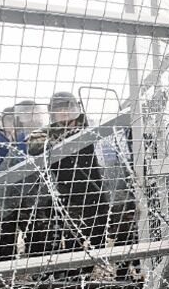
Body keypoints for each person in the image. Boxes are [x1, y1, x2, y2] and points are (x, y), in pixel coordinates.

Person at [26, 92, 108, 265]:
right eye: (59, 109)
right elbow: (34, 145)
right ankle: (76, 276)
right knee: (74, 241)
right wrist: (58, 142)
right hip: (70, 195)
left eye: (68, 107)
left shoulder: (90, 125)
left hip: (98, 191)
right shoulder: (48, 132)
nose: (64, 112)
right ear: (52, 112)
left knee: (102, 236)